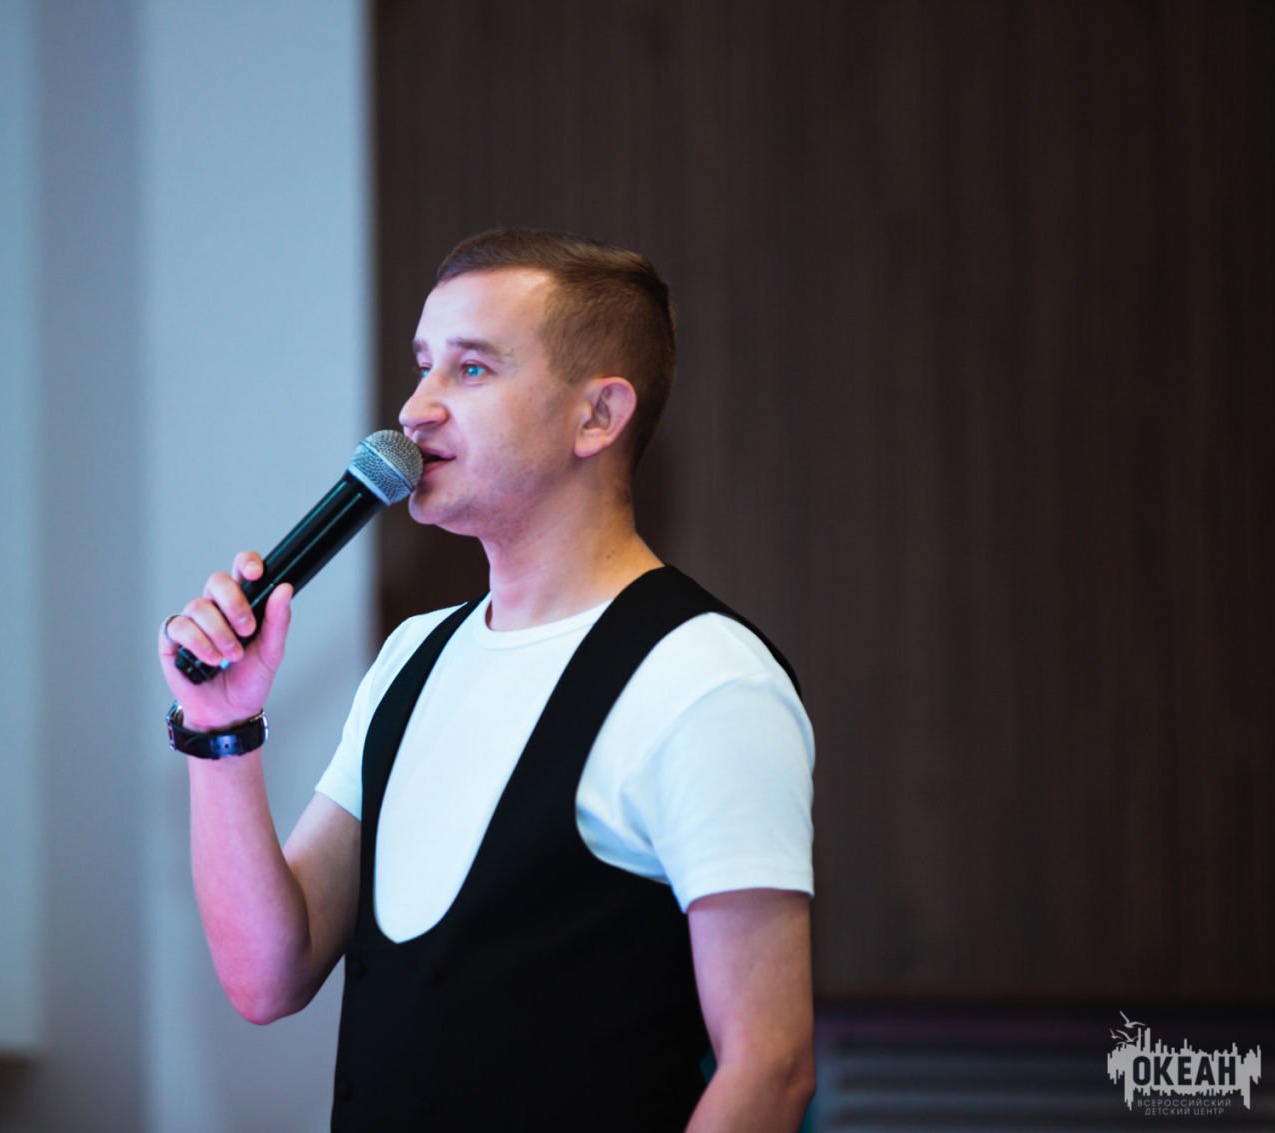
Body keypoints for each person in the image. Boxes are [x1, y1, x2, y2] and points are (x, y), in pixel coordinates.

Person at [158, 228, 816, 1131]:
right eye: (422, 366)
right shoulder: (413, 656)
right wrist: (218, 728)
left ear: (598, 416)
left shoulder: (705, 677)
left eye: (470, 370)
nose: (414, 411)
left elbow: (770, 1068)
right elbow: (267, 976)